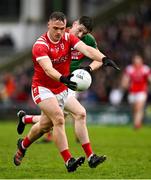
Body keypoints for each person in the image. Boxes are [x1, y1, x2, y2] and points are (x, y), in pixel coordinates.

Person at [13, 11, 119, 172]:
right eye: (55, 28)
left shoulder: (68, 37)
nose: (59, 32)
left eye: (62, 28)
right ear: (48, 25)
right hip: (43, 88)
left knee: (44, 126)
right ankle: (69, 160)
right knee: (59, 118)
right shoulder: (40, 45)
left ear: (65, 27)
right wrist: (63, 78)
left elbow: (86, 49)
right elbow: (48, 70)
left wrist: (104, 59)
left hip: (63, 87)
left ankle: (23, 144)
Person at [17, 16, 103, 143]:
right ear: (73, 24)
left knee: (60, 116)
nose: (80, 35)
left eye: (84, 33)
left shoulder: (88, 40)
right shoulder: (61, 35)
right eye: (79, 30)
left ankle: (27, 121)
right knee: (60, 116)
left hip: (72, 81)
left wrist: (88, 69)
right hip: (55, 80)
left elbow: (98, 57)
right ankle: (39, 134)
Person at [121, 53, 151, 129]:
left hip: (142, 91)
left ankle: (137, 125)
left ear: (141, 61)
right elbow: (125, 79)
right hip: (132, 92)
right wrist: (125, 85)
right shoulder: (130, 69)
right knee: (134, 109)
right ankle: (136, 122)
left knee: (138, 107)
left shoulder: (145, 69)